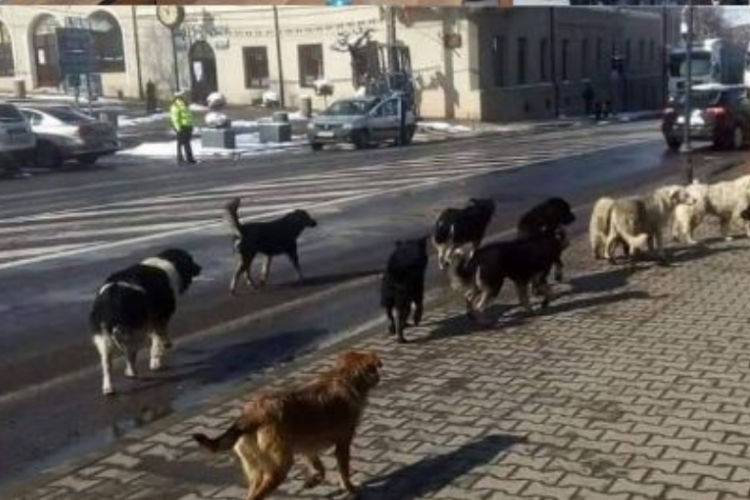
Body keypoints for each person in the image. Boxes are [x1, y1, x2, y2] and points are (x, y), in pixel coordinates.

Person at [170, 90, 196, 165]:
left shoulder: (185, 104)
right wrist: (178, 128)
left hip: (187, 126)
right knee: (181, 143)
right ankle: (181, 158)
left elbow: (189, 116)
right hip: (181, 126)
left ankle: (189, 158)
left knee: (186, 143)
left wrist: (191, 125)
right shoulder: (176, 105)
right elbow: (175, 118)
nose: (185, 96)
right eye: (183, 95)